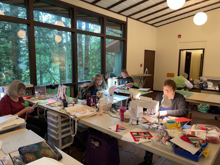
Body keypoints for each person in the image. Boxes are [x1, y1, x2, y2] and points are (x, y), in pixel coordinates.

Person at [139, 79, 189, 165]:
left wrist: (166, 112)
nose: (165, 92)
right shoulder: (160, 95)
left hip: (172, 125)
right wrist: (150, 109)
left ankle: (165, 160)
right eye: (164, 89)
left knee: (167, 143)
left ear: (173, 90)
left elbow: (184, 111)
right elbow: (153, 107)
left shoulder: (179, 97)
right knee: (150, 137)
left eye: (167, 90)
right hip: (159, 122)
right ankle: (147, 161)